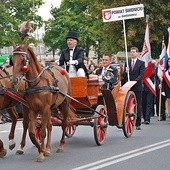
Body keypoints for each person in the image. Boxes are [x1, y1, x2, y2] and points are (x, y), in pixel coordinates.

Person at [122, 47, 145, 130]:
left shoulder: (141, 63)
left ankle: (138, 123)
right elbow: (123, 76)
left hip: (137, 87)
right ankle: (124, 121)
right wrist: (125, 71)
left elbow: (142, 74)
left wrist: (135, 81)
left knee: (138, 104)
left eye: (134, 52)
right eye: (131, 52)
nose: (132, 53)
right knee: (126, 104)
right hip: (128, 86)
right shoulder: (127, 63)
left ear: (137, 53)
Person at [162, 58, 170, 122]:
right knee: (168, 100)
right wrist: (163, 90)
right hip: (167, 88)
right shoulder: (165, 72)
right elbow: (164, 82)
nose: (169, 62)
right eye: (169, 61)